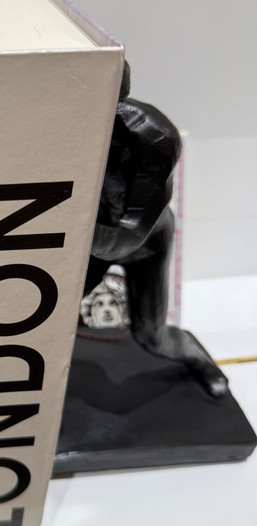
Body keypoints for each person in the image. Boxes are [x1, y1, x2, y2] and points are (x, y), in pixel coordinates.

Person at [85, 62, 228, 397]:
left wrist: (66, 233)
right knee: (48, 317)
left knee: (151, 336)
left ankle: (198, 359)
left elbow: (127, 237)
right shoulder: (63, 130)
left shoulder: (153, 137)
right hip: (92, 238)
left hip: (144, 243)